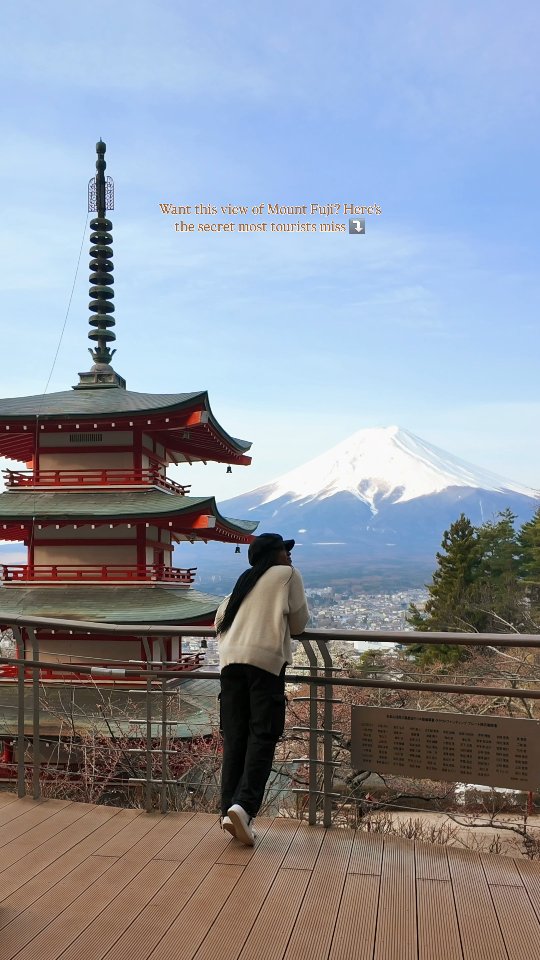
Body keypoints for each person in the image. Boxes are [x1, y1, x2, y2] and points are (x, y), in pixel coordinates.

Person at [215, 532, 309, 845]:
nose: (290, 555)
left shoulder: (243, 582)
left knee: (236, 738)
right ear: (275, 555)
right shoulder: (287, 575)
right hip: (264, 665)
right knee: (263, 735)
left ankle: (229, 809)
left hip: (230, 664)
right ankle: (244, 808)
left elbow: (219, 619)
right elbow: (298, 625)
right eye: (286, 550)